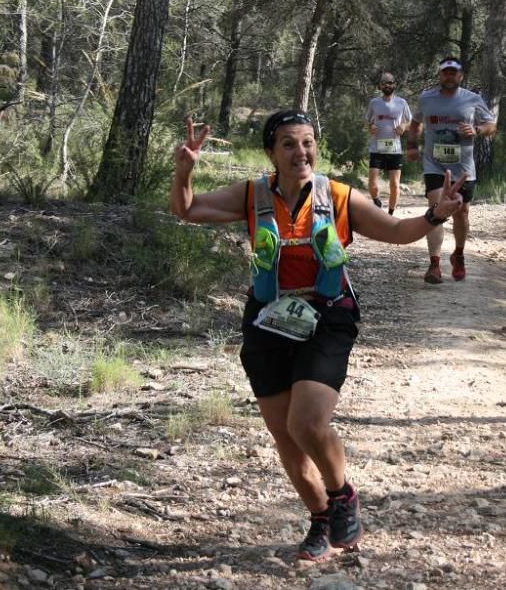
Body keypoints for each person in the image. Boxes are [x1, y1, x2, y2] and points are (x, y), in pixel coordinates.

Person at [170, 110, 466, 561]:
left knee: (306, 422)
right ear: (271, 152)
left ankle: (342, 494)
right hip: (268, 319)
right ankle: (321, 521)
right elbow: (187, 210)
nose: (300, 152)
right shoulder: (253, 194)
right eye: (288, 143)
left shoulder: (339, 196)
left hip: (327, 316)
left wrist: (433, 213)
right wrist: (184, 171)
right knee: (286, 437)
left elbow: (398, 231)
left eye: (307, 142)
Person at [407, 56, 497, 284]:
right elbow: (416, 123)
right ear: (440, 75)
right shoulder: (427, 99)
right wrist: (411, 146)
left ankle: (458, 254)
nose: (448, 76)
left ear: (461, 76)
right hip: (434, 165)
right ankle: (434, 264)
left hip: (464, 168)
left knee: (461, 212)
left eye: (453, 72)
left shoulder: (472, 99)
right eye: (445, 72)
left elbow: (492, 126)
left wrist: (476, 129)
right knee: (437, 208)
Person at [365, 72, 412, 215]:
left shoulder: (402, 103)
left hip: (394, 149)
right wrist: (370, 127)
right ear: (380, 86)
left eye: (390, 82)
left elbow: (410, 121)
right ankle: (376, 200)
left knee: (395, 185)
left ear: (395, 85)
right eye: (384, 82)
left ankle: (390, 214)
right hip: (377, 148)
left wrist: (404, 126)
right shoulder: (374, 103)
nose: (387, 85)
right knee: (372, 183)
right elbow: (367, 121)